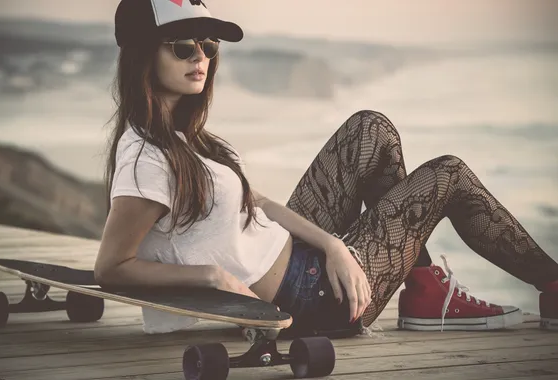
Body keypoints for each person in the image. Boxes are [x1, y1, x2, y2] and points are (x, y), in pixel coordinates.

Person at [94, 0, 558, 336]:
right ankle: (552, 285)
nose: (201, 59)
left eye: (209, 45)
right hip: (311, 301)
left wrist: (334, 244)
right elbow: (113, 266)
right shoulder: (146, 158)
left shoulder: (184, 140)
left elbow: (260, 204)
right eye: (182, 47)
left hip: (303, 257)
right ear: (142, 54)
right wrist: (211, 278)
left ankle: (420, 288)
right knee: (447, 174)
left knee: (369, 129)